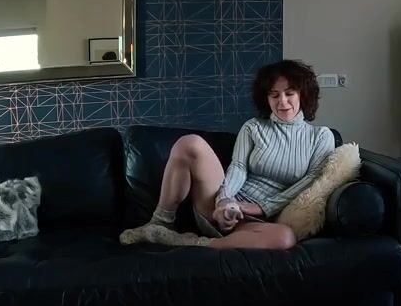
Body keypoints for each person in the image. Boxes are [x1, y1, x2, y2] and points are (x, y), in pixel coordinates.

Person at [120, 60, 335, 249]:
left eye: (289, 93)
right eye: (274, 95)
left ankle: (186, 242)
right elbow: (238, 168)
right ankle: (159, 224)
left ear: (303, 94)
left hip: (258, 222)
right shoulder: (253, 127)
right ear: (266, 98)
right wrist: (225, 201)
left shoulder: (321, 136)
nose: (282, 102)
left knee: (285, 238)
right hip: (223, 205)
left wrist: (260, 208)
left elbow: (311, 181)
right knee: (190, 143)